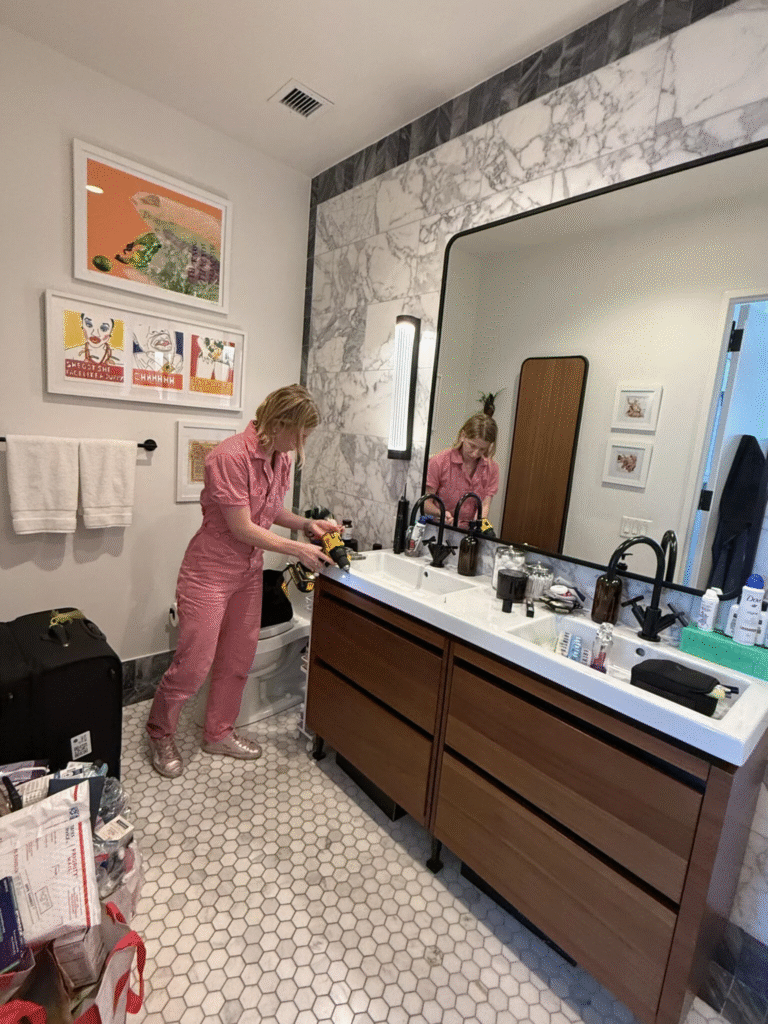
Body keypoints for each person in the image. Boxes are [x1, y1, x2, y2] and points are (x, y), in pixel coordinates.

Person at [146, 384, 337, 778]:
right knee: (194, 664)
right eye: (300, 433)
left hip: (248, 574)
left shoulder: (279, 458)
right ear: (281, 423)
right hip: (208, 574)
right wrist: (298, 549)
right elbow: (243, 527)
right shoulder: (228, 456)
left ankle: (217, 733)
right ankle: (160, 732)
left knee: (237, 658)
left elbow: (270, 509)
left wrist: (306, 525)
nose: (302, 443)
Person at [425, 412, 499, 527]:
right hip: (440, 528)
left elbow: (485, 505)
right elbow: (426, 503)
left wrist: (479, 528)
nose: (475, 454)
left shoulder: (492, 468)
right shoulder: (439, 462)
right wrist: (441, 513)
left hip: (470, 532)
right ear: (463, 436)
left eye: (482, 449)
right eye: (472, 446)